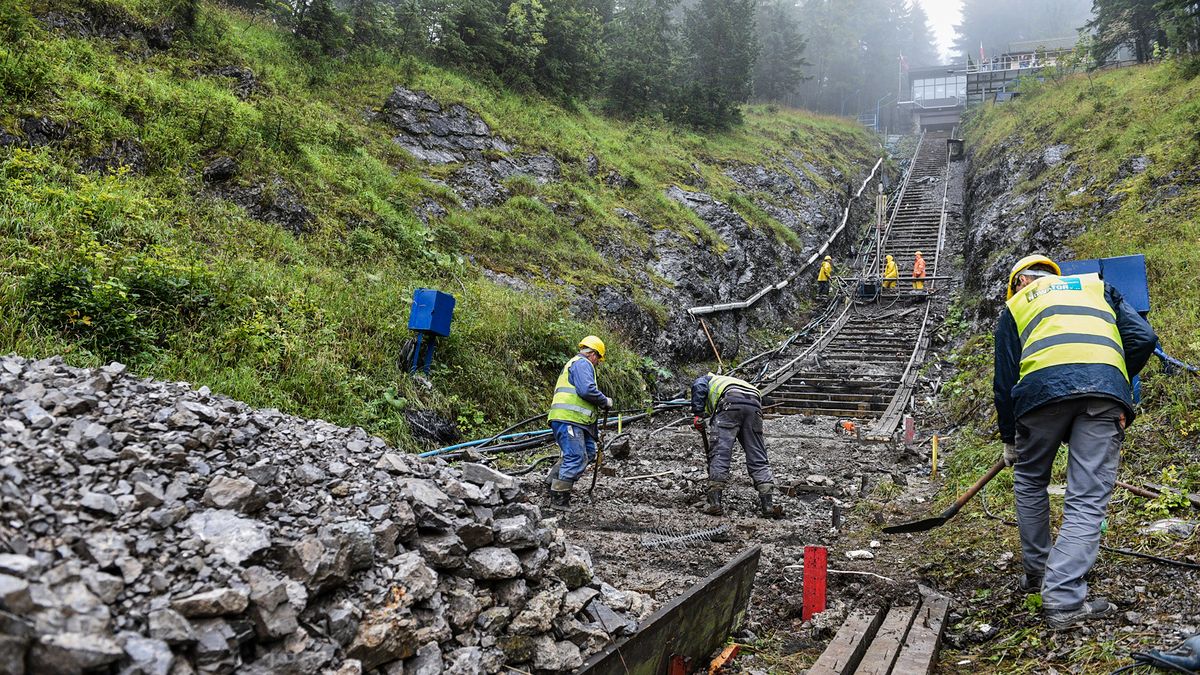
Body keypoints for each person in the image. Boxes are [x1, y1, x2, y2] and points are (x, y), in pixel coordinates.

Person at [994, 254, 1157, 629]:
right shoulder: (1097, 286)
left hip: (1039, 397)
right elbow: (1143, 338)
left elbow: (1005, 380)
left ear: (1019, 281)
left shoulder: (1017, 304)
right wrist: (1107, 379)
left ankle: (1040, 576)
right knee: (1086, 498)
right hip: (1104, 395)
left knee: (1030, 480)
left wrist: (1010, 439)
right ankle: (1064, 594)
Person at [690, 372, 783, 518]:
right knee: (757, 453)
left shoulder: (707, 379)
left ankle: (715, 502)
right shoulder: (733, 381)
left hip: (730, 402)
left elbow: (698, 385)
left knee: (721, 451)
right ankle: (768, 504)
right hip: (754, 403)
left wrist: (698, 413)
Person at [546, 336, 613, 511]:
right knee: (575, 456)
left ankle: (553, 482)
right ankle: (559, 500)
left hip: (577, 421)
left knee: (589, 452)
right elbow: (586, 390)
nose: (598, 362)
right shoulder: (583, 364)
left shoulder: (577, 364)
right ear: (593, 354)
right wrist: (604, 400)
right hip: (569, 418)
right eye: (598, 358)